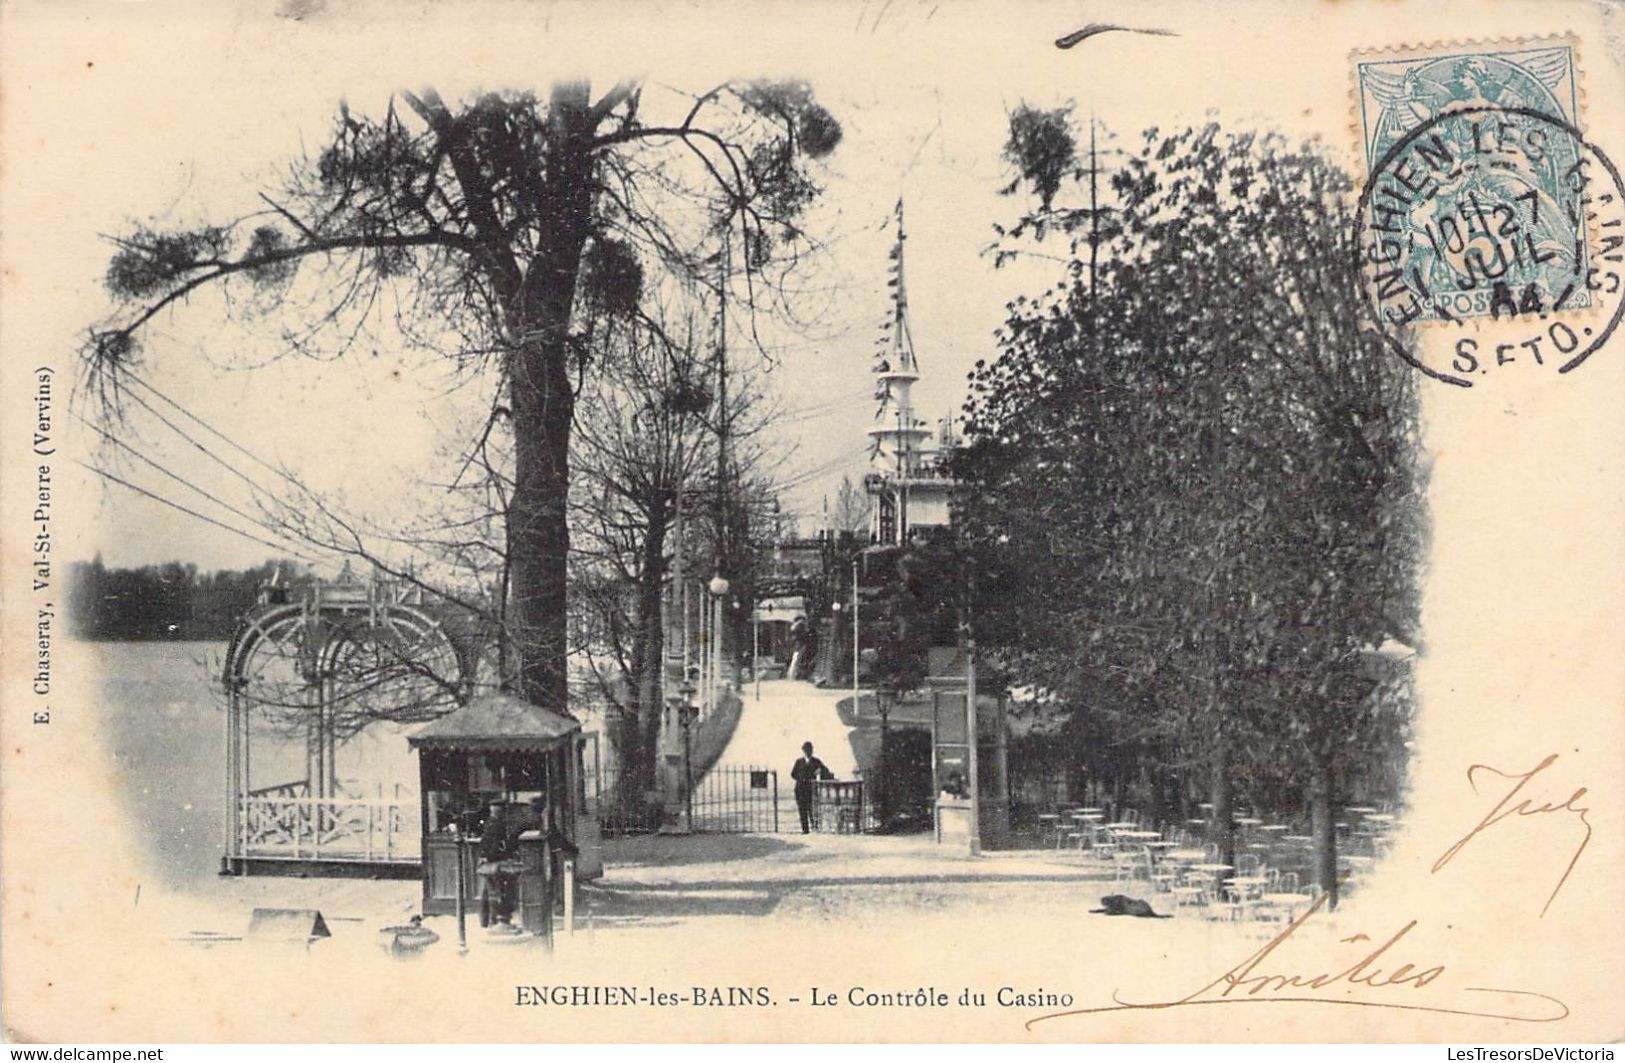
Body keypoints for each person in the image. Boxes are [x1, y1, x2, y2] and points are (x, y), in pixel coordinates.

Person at [791, 741, 834, 833]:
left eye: (810, 749)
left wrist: (819, 772)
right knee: (802, 810)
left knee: (812, 809)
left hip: (811, 789)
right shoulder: (799, 762)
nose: (808, 751)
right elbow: (793, 774)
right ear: (803, 750)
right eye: (806, 750)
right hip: (800, 789)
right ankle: (805, 830)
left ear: (812, 750)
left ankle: (814, 828)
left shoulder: (816, 761)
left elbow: (826, 771)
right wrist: (801, 778)